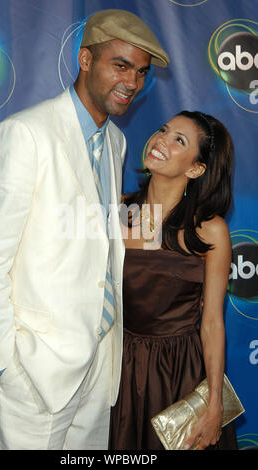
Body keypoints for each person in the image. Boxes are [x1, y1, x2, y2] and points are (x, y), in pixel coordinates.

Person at [0, 9, 169, 450]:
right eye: (121, 65)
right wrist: (8, 365)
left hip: (98, 365)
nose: (132, 82)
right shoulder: (24, 134)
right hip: (36, 369)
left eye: (141, 72)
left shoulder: (116, 141)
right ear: (85, 60)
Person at [109, 110, 239, 450]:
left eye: (178, 140)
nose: (160, 141)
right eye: (163, 130)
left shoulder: (209, 230)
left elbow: (211, 323)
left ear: (196, 169)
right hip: (115, 370)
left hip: (177, 373)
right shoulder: (117, 210)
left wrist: (213, 405)